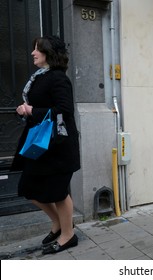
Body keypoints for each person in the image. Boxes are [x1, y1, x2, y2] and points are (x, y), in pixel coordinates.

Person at [11, 35, 80, 255]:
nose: (32, 53)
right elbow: (42, 106)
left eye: (36, 49)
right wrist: (25, 110)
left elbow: (64, 110)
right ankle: (59, 223)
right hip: (40, 145)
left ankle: (68, 235)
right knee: (29, 189)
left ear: (48, 53)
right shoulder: (40, 77)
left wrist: (32, 111)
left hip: (57, 145)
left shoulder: (58, 78)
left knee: (58, 192)